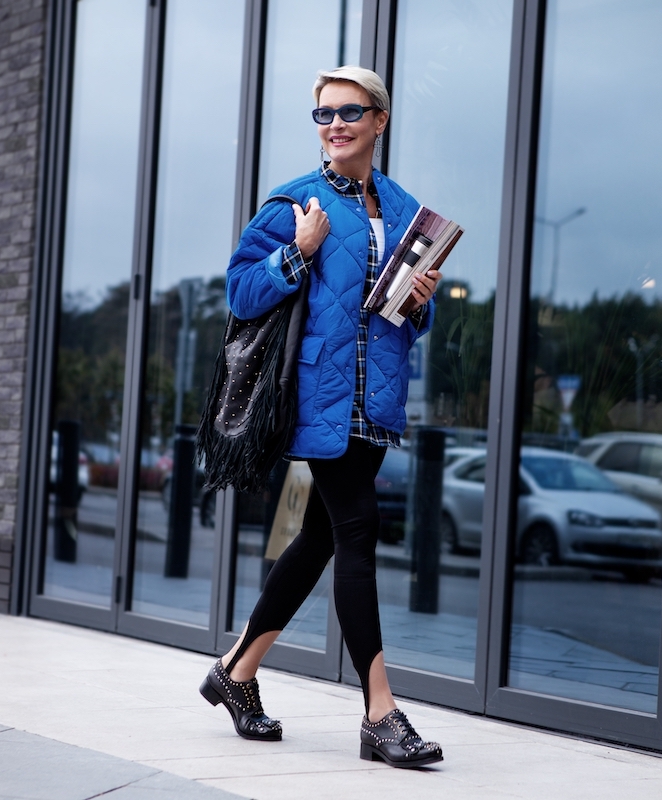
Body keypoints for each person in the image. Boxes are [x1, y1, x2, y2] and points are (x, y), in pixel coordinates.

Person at [197, 66, 444, 769]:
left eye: (349, 112)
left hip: (377, 401)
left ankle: (236, 671)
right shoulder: (294, 202)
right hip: (320, 398)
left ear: (379, 121)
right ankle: (380, 713)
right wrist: (296, 253)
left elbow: (405, 320)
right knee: (359, 530)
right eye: (323, 114)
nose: (334, 124)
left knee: (317, 540)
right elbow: (242, 292)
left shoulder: (405, 208)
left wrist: (421, 301)